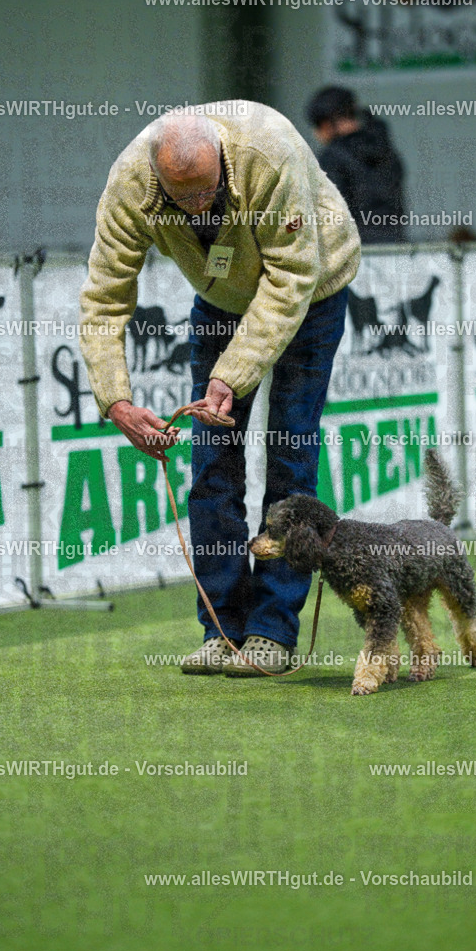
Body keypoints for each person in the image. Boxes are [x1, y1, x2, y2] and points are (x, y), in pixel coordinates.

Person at [79, 101, 360, 676]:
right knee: (212, 462)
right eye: (180, 197)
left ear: (223, 164)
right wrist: (115, 400)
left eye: (206, 192)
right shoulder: (129, 184)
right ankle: (222, 628)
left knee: (290, 452)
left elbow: (290, 279)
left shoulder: (270, 152)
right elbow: (104, 298)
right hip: (221, 296)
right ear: (157, 176)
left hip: (312, 287)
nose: (196, 207)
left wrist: (230, 374)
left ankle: (272, 631)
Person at [305, 86, 406, 244]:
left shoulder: (332, 157)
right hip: (393, 249)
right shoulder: (385, 149)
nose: (316, 134)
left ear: (327, 124)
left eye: (317, 126)